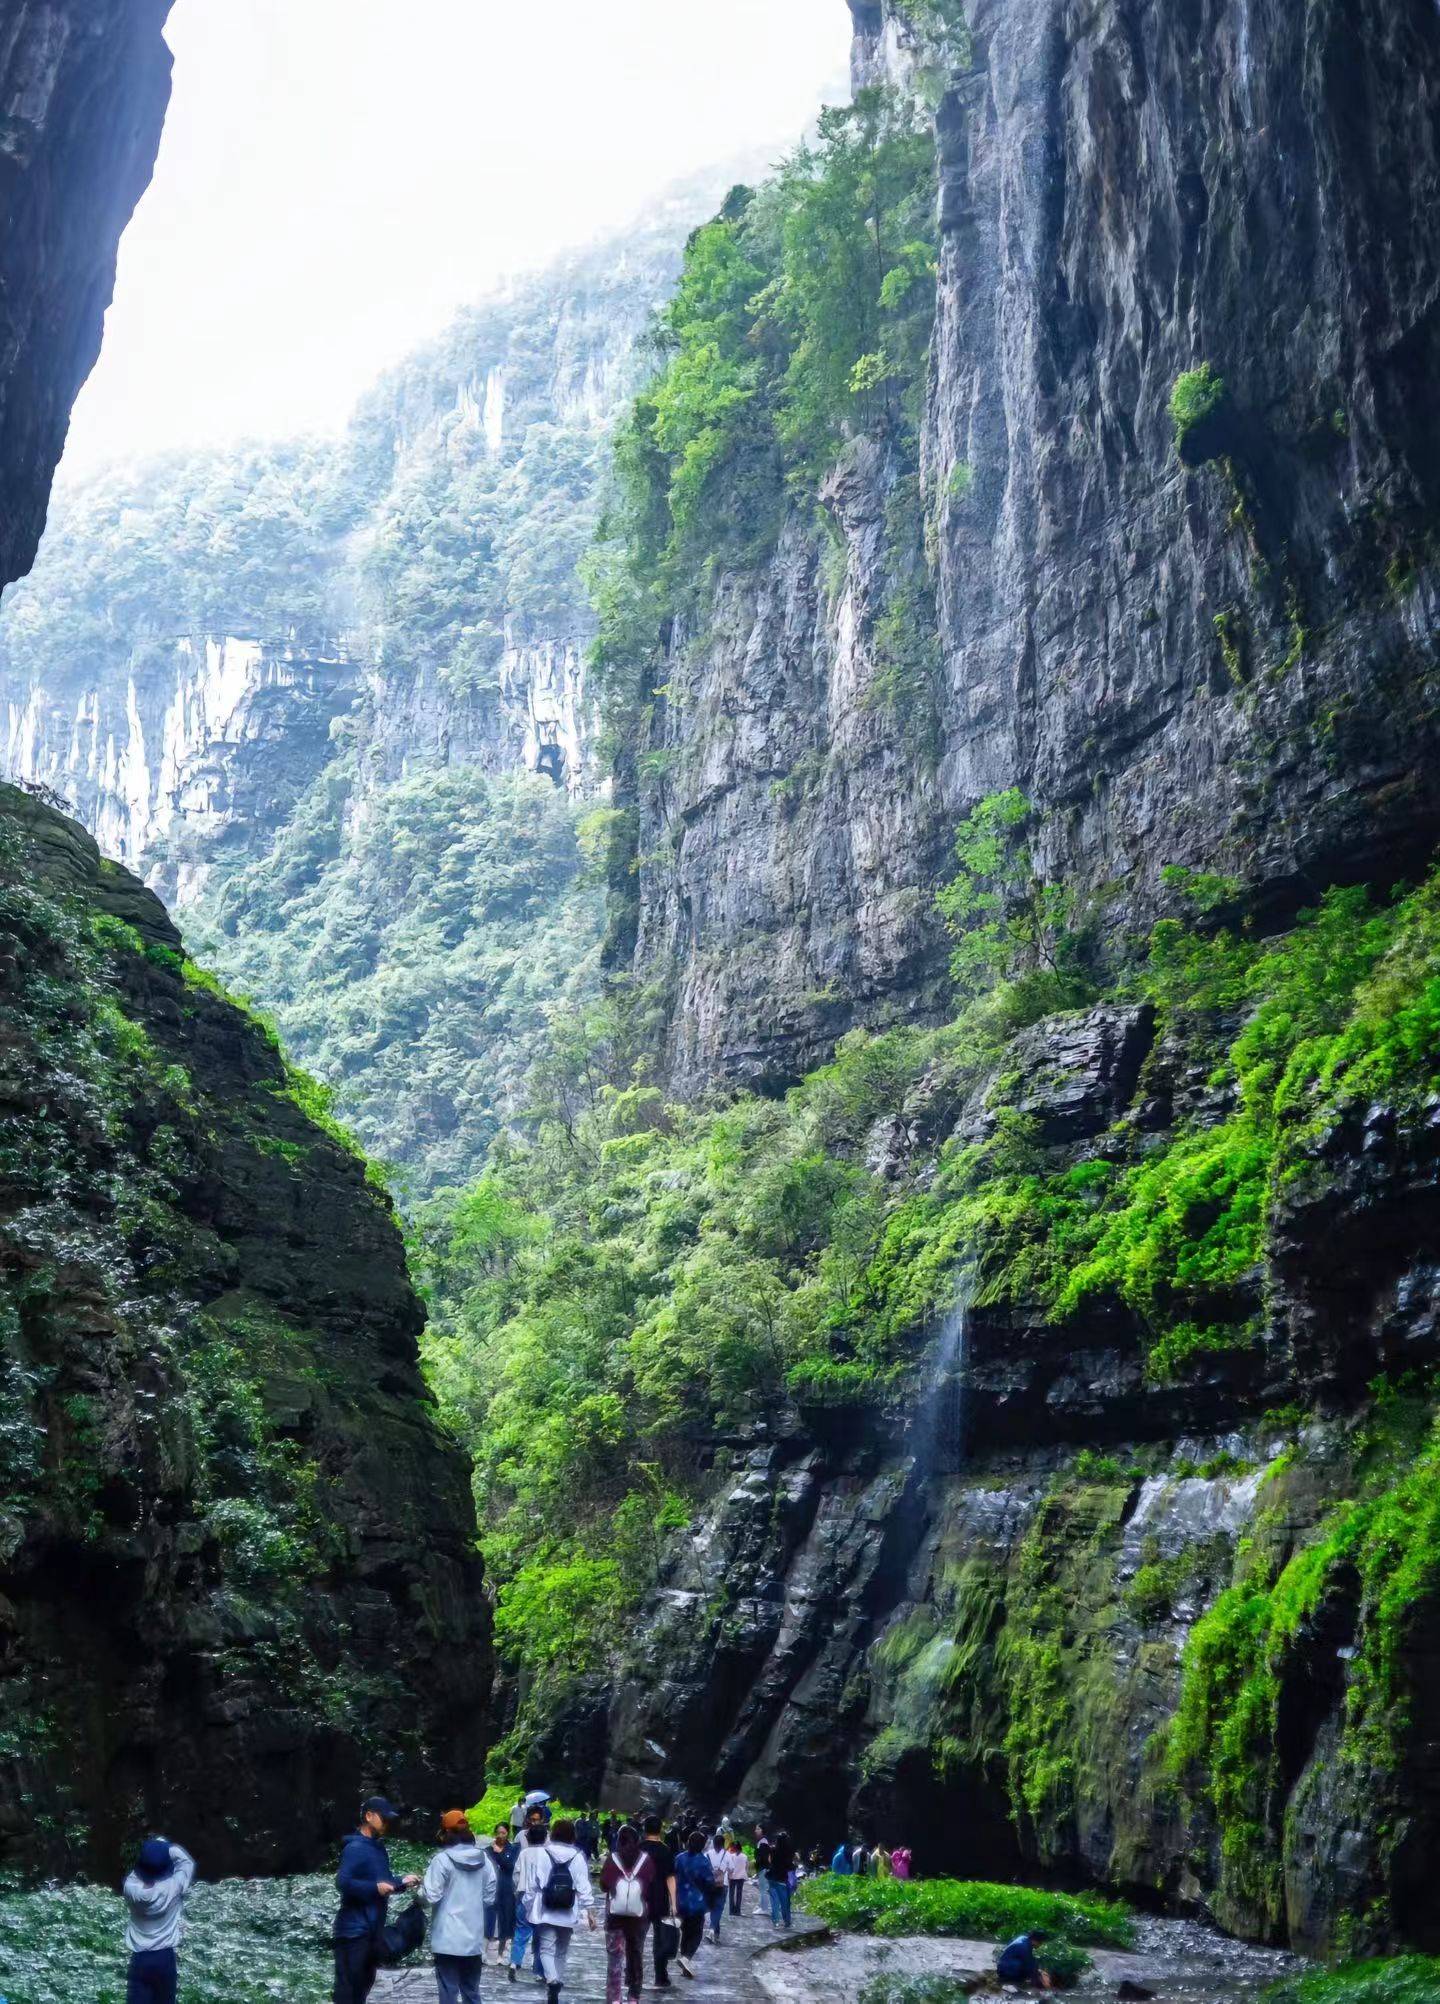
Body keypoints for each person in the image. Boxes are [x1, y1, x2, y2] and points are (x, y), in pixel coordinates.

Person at [333, 1797, 419, 2004]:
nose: (387, 1824)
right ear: (369, 1816)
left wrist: (402, 1882)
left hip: (372, 1930)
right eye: (384, 1818)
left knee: (363, 1985)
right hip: (353, 1931)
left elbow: (384, 1883)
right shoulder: (354, 1848)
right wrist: (373, 1888)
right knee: (348, 1989)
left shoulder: (378, 1848)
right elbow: (343, 1882)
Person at [422, 1811, 497, 2004]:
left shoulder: (442, 1860)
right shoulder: (484, 1860)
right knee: (471, 1991)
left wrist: (418, 1892)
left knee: (448, 1991)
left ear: (445, 1833)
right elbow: (489, 1897)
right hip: (473, 1938)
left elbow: (431, 1895)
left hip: (446, 1938)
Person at [527, 1815, 595, 2004]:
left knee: (545, 1949)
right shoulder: (578, 1856)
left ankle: (552, 1980)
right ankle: (558, 1980)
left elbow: (534, 1883)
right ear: (572, 1835)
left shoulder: (542, 1853)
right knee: (562, 1950)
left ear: (553, 1833)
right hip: (568, 1909)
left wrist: (528, 1905)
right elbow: (583, 1886)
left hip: (545, 1908)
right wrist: (590, 1911)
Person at [122, 1836, 196, 2004]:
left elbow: (137, 1871)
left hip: (139, 1960)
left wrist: (149, 1854)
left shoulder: (130, 1888)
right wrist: (166, 1847)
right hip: (165, 1959)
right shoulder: (174, 1887)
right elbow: (186, 1863)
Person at [600, 1822, 654, 2004]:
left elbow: (603, 1885)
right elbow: (650, 1886)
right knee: (636, 1955)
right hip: (638, 1919)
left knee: (615, 1958)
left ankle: (614, 1998)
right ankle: (634, 1997)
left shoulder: (612, 1859)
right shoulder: (646, 1860)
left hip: (615, 1918)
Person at [510, 1822, 552, 1984]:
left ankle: (514, 1963)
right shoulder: (548, 1854)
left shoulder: (524, 1853)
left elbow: (516, 1874)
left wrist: (518, 1890)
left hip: (523, 1896)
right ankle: (539, 1972)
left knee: (521, 1932)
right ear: (545, 1837)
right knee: (541, 1935)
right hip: (542, 1899)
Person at [640, 1812, 678, 1990]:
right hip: (660, 1899)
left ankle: (633, 1973)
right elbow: (670, 1878)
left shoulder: (638, 1848)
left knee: (636, 1938)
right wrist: (674, 1902)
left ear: (644, 1829)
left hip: (638, 1899)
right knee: (660, 1940)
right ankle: (660, 1976)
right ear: (660, 1830)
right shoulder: (665, 1850)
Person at [672, 1829, 715, 1978]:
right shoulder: (703, 1861)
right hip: (696, 1903)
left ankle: (685, 1962)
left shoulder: (679, 1858)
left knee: (685, 1932)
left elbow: (671, 1877)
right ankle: (686, 1957)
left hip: (679, 1901)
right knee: (696, 1933)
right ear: (702, 1845)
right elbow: (710, 1883)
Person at [485, 1823, 518, 1963]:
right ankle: (483, 1953)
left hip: (507, 1888)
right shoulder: (488, 1850)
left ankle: (500, 1954)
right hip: (491, 1888)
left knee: (505, 1920)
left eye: (503, 1833)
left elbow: (511, 1866)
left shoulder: (514, 1849)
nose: (500, 1836)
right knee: (488, 1919)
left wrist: (500, 1853)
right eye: (498, 1833)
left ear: (508, 1834)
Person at [702, 1831, 729, 1944]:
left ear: (713, 1843)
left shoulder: (707, 1854)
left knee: (712, 1908)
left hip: (710, 1885)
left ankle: (715, 1933)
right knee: (718, 1908)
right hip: (723, 1884)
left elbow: (703, 1868)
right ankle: (713, 1930)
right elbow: (731, 1869)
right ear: (723, 1844)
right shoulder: (728, 1855)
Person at [725, 1837, 748, 1916]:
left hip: (732, 1877)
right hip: (741, 1877)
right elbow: (746, 1867)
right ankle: (738, 1911)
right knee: (739, 1894)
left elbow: (729, 1867)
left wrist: (728, 1875)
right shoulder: (744, 1856)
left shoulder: (731, 1856)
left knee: (731, 1894)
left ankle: (731, 1910)